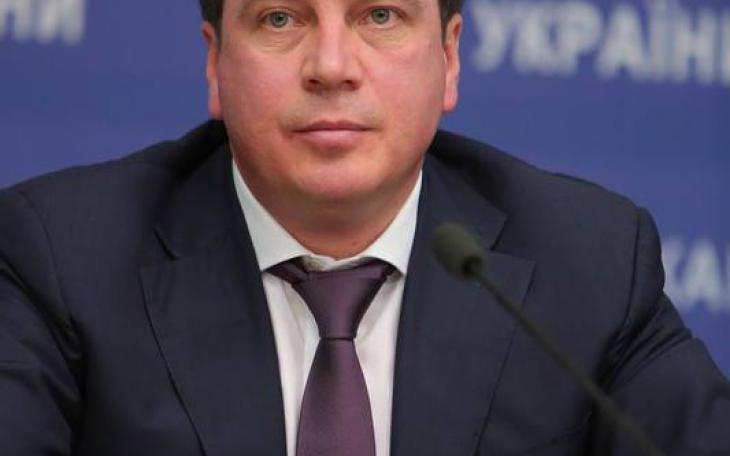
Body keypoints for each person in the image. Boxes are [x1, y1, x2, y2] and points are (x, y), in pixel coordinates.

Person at [0, 0, 728, 454]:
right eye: (280, 19)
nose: (331, 66)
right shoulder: (62, 258)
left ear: (449, 59)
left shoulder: (589, 260)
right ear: (215, 64)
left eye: (379, 16)